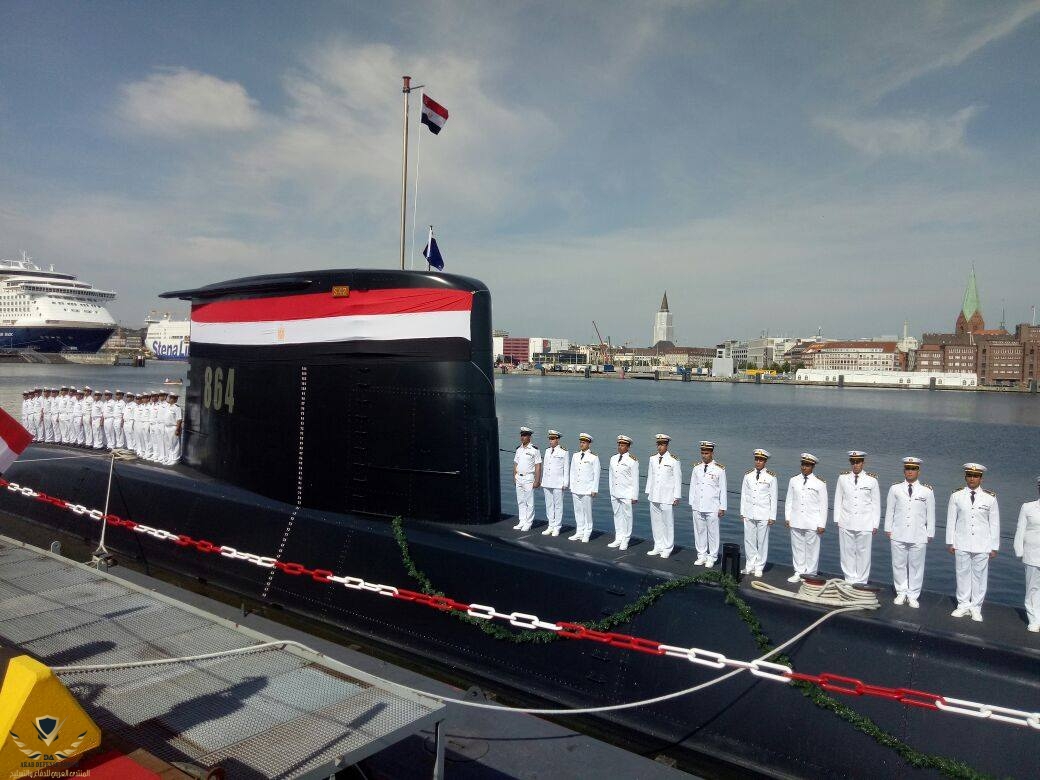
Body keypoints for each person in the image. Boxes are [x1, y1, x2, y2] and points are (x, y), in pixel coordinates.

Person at [947, 463, 1000, 622]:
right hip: (961, 541)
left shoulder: (990, 498)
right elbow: (951, 520)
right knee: (962, 574)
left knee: (979, 577)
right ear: (965, 477)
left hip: (982, 544)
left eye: (976, 476)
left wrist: (994, 546)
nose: (972, 478)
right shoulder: (956, 495)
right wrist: (950, 542)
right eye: (969, 475)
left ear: (981, 479)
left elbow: (994, 524)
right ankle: (963, 605)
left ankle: (976, 607)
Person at [884, 456, 935, 608]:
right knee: (898, 564)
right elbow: (890, 510)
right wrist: (888, 528)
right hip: (898, 532)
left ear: (918, 471)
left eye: (913, 469)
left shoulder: (927, 491)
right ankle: (901, 592)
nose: (910, 471)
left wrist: (930, 533)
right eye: (907, 468)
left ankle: (913, 594)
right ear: (904, 470)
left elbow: (931, 514)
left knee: (916, 567)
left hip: (918, 534)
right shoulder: (895, 489)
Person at [833, 451, 881, 585]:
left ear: (863, 463)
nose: (855, 465)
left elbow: (876, 504)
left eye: (858, 462)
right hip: (846, 521)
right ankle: (849, 579)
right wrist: (837, 519)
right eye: (852, 462)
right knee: (846, 551)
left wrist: (875, 524)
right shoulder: (843, 478)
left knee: (863, 553)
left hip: (865, 523)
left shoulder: (872, 480)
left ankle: (862, 580)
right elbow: (838, 499)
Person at [785, 453, 828, 582]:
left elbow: (823, 505)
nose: (804, 467)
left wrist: (822, 524)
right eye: (803, 464)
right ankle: (799, 572)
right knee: (797, 547)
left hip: (812, 521)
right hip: (796, 519)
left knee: (812, 549)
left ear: (813, 466)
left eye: (807, 465)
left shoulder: (820, 483)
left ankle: (811, 573)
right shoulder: (794, 480)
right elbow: (789, 500)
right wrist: (788, 517)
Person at [740, 448, 777, 577]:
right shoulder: (748, 475)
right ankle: (749, 564)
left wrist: (772, 516)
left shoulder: (771, 477)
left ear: (765, 461)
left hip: (764, 513)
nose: (758, 462)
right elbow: (744, 495)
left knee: (762, 541)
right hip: (749, 512)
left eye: (761, 460)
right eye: (756, 459)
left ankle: (759, 566)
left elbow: (773, 497)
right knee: (749, 540)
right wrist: (742, 512)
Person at [689, 441, 727, 567]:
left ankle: (712, 557)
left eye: (706, 453)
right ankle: (701, 555)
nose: (704, 455)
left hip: (712, 506)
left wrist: (722, 507)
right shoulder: (696, 468)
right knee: (699, 531)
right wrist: (692, 503)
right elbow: (693, 486)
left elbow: (723, 489)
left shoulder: (719, 469)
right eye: (702, 453)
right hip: (698, 505)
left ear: (712, 453)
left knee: (713, 533)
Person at [645, 433, 681, 558]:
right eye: (658, 444)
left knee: (667, 523)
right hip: (654, 495)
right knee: (656, 522)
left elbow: (677, 479)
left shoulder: (673, 460)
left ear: (667, 445)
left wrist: (676, 496)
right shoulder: (652, 458)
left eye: (662, 444)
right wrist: (648, 491)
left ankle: (667, 547)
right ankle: (658, 545)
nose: (660, 447)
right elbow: (650, 475)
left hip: (667, 496)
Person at [1013, 476, 1040, 632]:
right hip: (1032, 553)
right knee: (1032, 588)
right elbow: (1021, 529)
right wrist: (1019, 550)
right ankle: (1034, 619)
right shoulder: (1028, 507)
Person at [608, 434, 639, 550]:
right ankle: (618, 538)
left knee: (627, 517)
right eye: (619, 445)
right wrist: (611, 490)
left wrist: (634, 496)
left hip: (626, 493)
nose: (620, 447)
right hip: (615, 492)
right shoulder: (613, 458)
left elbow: (635, 479)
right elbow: (611, 476)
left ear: (628, 447)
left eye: (623, 445)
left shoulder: (632, 460)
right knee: (617, 515)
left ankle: (625, 539)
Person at [568, 433, 600, 543]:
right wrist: (572, 486)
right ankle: (579, 532)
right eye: (581, 442)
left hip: (587, 489)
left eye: (584, 442)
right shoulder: (575, 455)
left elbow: (596, 474)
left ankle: (587, 533)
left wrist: (594, 489)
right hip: (576, 488)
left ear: (589, 444)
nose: (582, 444)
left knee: (587, 513)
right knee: (578, 511)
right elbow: (572, 471)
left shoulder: (593, 457)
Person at [512, 426, 541, 531]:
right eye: (521, 435)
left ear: (529, 437)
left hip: (528, 477)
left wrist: (537, 480)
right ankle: (522, 521)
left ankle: (528, 523)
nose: (522, 437)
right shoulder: (518, 449)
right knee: (520, 501)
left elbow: (538, 466)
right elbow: (516, 463)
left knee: (529, 502)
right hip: (518, 477)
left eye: (525, 435)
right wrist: (514, 476)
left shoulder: (534, 450)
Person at [540, 430, 569, 536]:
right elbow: (545, 467)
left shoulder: (563, 451)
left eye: (552, 439)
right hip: (547, 482)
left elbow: (566, 468)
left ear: (557, 439)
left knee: (558, 506)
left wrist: (565, 483)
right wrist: (543, 480)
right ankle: (550, 525)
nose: (550, 441)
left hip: (558, 483)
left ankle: (557, 527)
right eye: (550, 439)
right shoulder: (547, 451)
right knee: (549, 505)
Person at [163, 391, 183, 464]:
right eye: (170, 397)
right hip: (167, 427)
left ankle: (175, 459)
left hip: (173, 427)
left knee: (175, 444)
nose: (170, 399)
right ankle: (170, 458)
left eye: (173, 398)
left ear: (175, 399)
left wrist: (177, 429)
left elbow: (179, 419)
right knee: (168, 444)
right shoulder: (168, 406)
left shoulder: (177, 408)